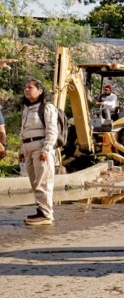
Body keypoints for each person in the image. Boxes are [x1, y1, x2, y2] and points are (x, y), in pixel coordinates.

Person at [19, 78, 58, 226]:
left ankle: (47, 214)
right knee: (35, 182)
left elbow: (52, 131)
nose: (27, 89)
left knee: (43, 182)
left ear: (40, 91)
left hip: (40, 148)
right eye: (25, 87)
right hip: (28, 148)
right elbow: (23, 130)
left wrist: (46, 149)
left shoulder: (47, 107)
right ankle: (41, 210)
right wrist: (21, 150)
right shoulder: (27, 108)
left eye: (30, 87)